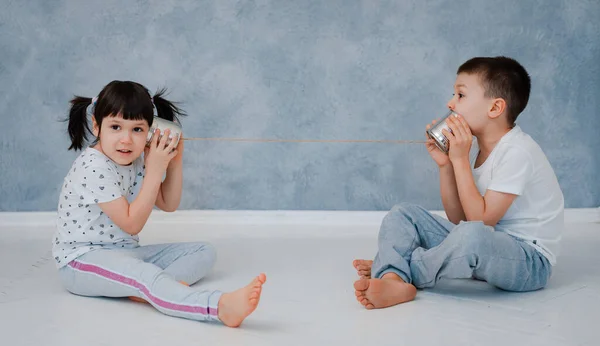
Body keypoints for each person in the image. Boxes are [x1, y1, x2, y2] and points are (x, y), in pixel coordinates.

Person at [353, 56, 564, 309]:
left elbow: (479, 224)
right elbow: (458, 220)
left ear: (495, 108)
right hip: (486, 242)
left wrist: (460, 159)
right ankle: (393, 278)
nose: (450, 103)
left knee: (472, 236)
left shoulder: (518, 151)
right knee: (403, 214)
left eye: (460, 96)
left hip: (528, 262)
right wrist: (447, 165)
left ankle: (395, 268)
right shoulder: (478, 149)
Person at [53, 80, 266, 327]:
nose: (126, 140)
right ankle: (217, 306)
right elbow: (132, 224)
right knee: (147, 275)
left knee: (203, 252)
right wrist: (154, 170)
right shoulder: (93, 167)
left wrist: (173, 163)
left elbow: (168, 203)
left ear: (150, 131)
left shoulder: (136, 159)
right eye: (115, 127)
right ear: (96, 126)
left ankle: (146, 289)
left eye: (137, 130)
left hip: (124, 253)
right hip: (82, 261)